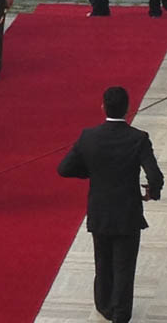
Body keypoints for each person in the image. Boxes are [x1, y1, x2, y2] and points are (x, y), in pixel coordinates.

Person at [58, 86, 163, 323]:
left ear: (103, 106)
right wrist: (151, 192)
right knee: (124, 266)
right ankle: (121, 313)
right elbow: (155, 176)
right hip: (127, 213)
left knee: (102, 261)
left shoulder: (88, 136)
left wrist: (92, 173)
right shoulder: (138, 138)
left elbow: (64, 169)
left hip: (100, 211)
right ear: (128, 108)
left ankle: (104, 305)